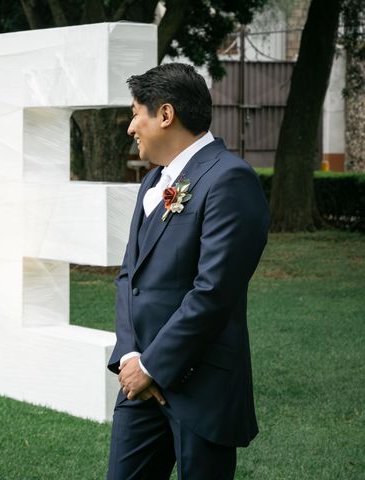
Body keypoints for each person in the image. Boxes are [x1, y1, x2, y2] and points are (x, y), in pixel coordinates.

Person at [106, 64, 269, 479]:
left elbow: (214, 291)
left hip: (201, 387)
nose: (130, 127)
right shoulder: (153, 183)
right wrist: (130, 355)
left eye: (135, 113)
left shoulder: (230, 178)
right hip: (138, 385)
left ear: (165, 115)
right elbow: (130, 277)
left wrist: (153, 366)